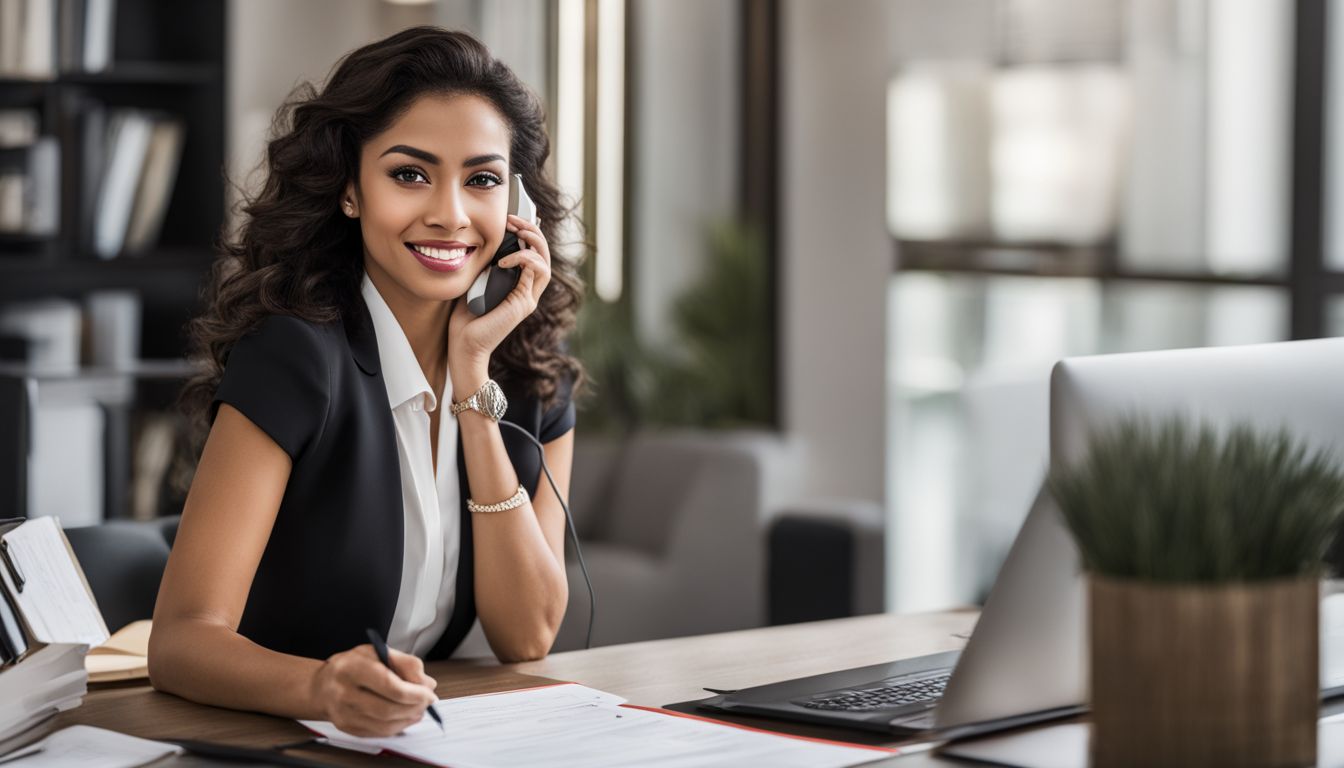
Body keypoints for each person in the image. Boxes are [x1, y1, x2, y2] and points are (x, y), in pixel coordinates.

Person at [148, 27, 584, 737]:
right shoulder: (295, 358)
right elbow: (181, 640)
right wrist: (321, 688)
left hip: (418, 738)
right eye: (410, 174)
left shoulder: (531, 377)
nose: (449, 213)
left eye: (481, 179)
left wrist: (473, 384)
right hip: (276, 737)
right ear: (350, 190)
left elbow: (527, 635)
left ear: (519, 208)